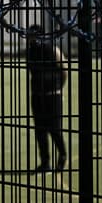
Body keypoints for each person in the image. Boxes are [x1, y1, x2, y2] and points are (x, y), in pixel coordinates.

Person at [26, 25, 67, 173]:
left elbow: (64, 70)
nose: (29, 38)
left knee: (55, 129)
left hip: (52, 96)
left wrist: (57, 88)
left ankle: (62, 155)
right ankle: (45, 162)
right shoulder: (30, 51)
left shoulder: (53, 50)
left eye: (31, 35)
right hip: (37, 96)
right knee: (40, 131)